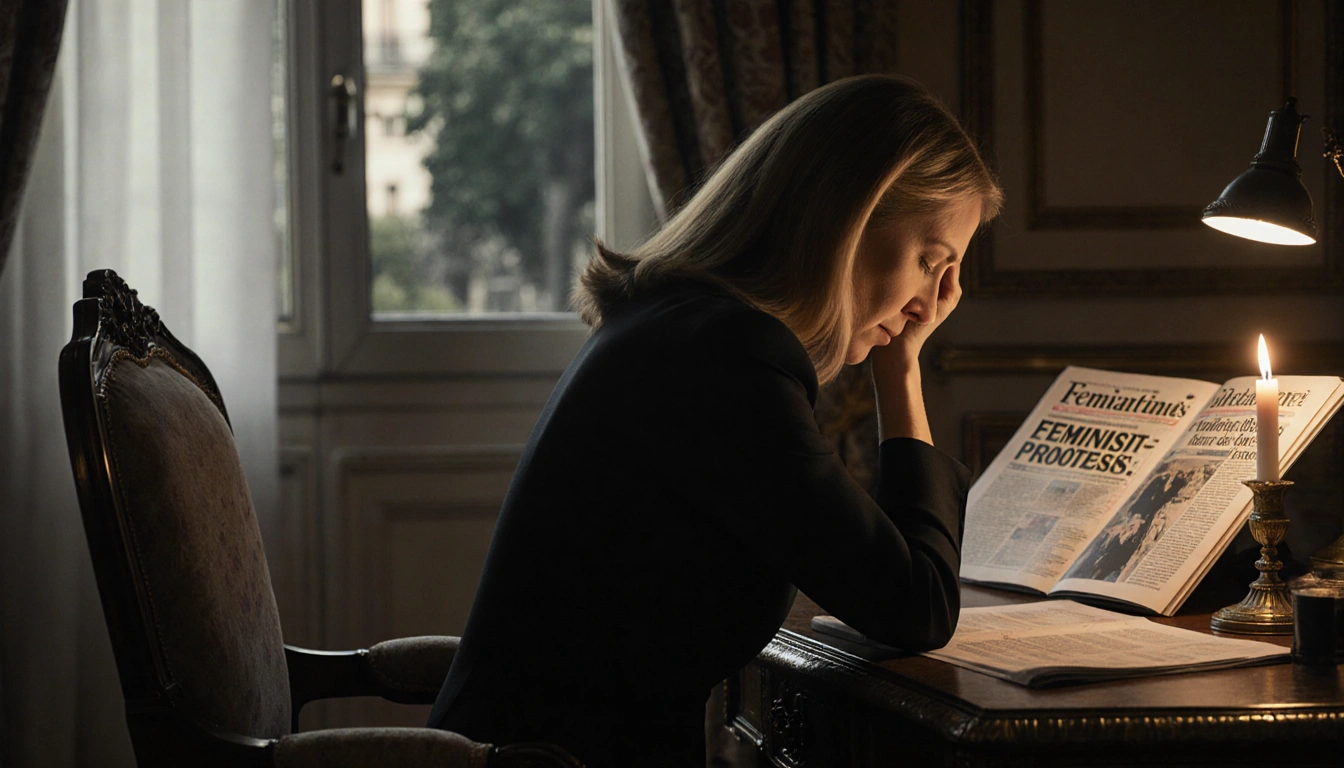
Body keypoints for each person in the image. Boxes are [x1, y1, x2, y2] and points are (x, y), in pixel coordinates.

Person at [426, 74, 1004, 767]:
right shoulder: (731, 360)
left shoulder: (678, 323)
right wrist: (902, 369)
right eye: (932, 264)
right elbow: (917, 607)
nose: (931, 304)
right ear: (852, 215)